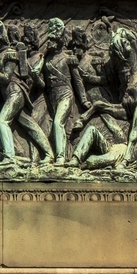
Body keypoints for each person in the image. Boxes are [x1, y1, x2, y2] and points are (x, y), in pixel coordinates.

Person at [0, 19, 53, 163]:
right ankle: (49, 153)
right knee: (30, 125)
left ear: (1, 38)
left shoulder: (10, 54)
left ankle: (9, 156)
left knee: (2, 121)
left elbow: (6, 78)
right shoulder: (0, 55)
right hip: (11, 94)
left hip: (15, 93)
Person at [41, 18, 89, 164]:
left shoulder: (69, 58)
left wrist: (84, 100)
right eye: (51, 39)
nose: (52, 42)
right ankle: (62, 153)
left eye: (55, 39)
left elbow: (78, 81)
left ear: (61, 39)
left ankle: (60, 158)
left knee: (58, 123)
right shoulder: (46, 59)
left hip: (66, 94)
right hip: (52, 96)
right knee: (54, 127)